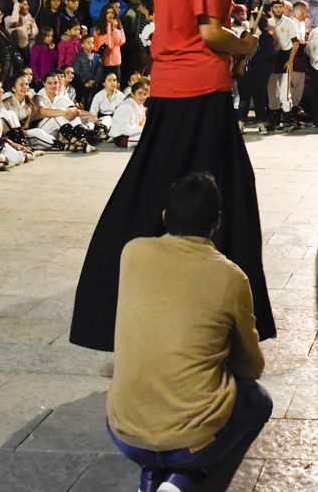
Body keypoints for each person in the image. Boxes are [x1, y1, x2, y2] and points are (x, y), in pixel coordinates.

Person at [71, 0, 274, 351]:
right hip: (201, 93)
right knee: (225, 195)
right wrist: (245, 46)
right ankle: (226, 320)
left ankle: (115, 308)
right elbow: (208, 32)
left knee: (154, 191)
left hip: (174, 89)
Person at [106, 173, 270, 492]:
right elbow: (252, 367)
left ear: (165, 216)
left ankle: (152, 475)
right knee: (257, 401)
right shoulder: (230, 277)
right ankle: (187, 479)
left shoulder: (132, 253)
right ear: (217, 222)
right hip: (191, 441)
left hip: (124, 433)